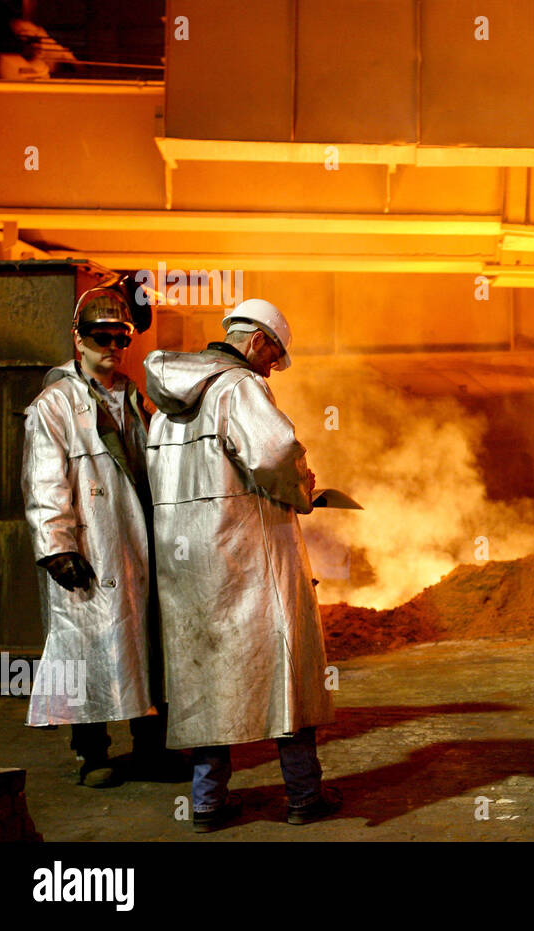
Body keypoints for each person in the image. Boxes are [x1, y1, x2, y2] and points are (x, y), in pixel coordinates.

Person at [143, 298, 340, 832]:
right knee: (285, 669)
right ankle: (303, 796)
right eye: (275, 353)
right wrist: (305, 490)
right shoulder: (239, 387)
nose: (274, 366)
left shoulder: (165, 407)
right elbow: (275, 454)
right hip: (249, 555)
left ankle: (206, 803)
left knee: (203, 676)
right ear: (255, 339)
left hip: (187, 566)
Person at [21, 286, 182, 787]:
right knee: (84, 648)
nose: (112, 345)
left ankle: (150, 749)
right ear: (79, 338)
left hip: (137, 542)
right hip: (92, 546)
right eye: (101, 336)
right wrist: (57, 546)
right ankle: (92, 755)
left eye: (120, 337)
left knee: (147, 647)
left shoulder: (134, 396)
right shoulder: (55, 404)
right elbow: (43, 478)